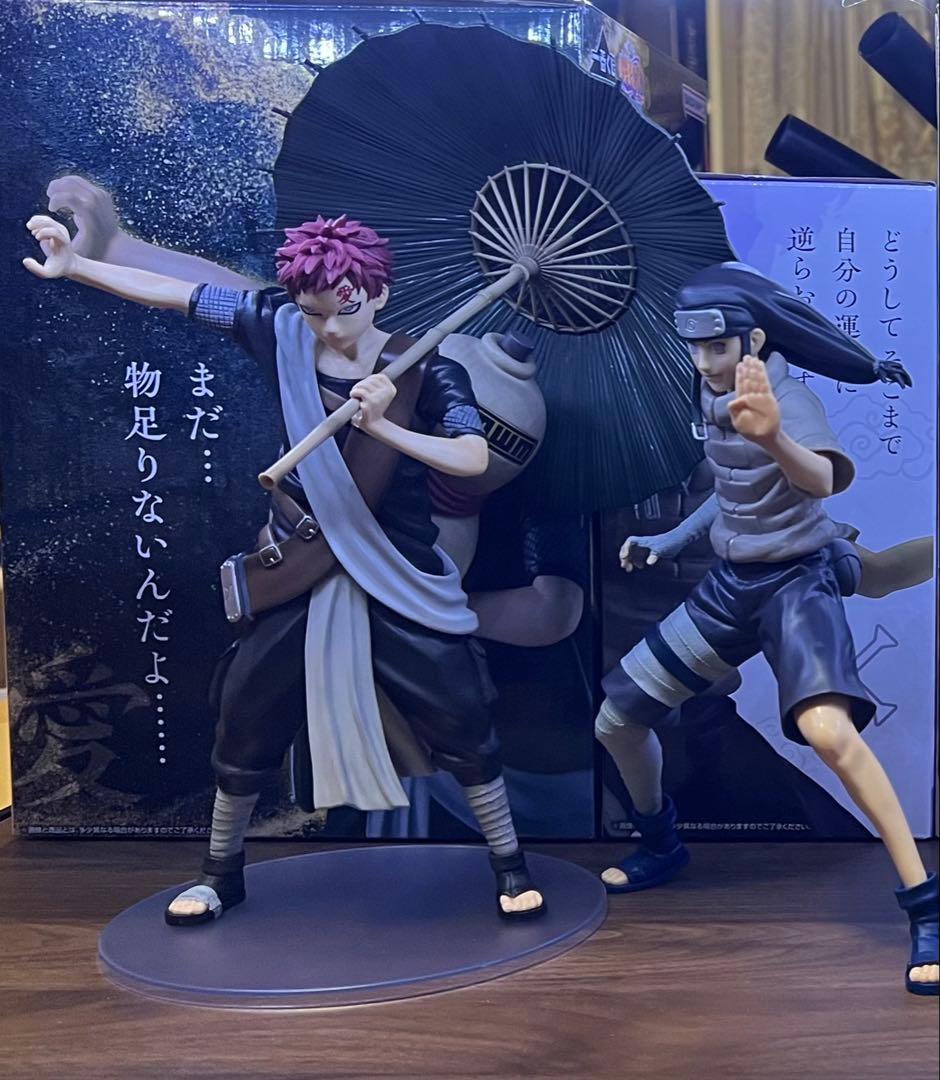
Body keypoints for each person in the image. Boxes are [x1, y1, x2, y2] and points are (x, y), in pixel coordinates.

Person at [24, 212, 546, 925]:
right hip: (296, 564)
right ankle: (220, 874)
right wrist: (79, 267)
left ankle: (510, 866)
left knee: (461, 712)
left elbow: (473, 458)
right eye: (315, 313)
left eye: (345, 309)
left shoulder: (428, 368)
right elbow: (177, 293)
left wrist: (387, 426)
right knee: (246, 714)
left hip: (396, 570)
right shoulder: (281, 330)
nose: (330, 329)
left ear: (378, 292)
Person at [594, 262, 938, 996]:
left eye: (716, 347)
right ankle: (661, 842)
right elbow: (732, 489)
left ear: (751, 340)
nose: (703, 362)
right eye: (695, 347)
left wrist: (776, 436)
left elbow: (821, 479)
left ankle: (926, 904)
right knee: (617, 718)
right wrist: (670, 541)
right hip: (732, 586)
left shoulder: (786, 397)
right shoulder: (711, 390)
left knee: (829, 732)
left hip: (796, 583)